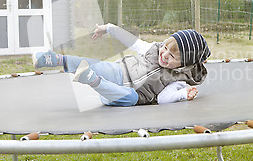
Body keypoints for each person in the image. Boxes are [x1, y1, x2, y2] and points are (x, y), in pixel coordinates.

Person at [32, 24, 211, 107]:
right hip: (119, 72)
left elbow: (163, 99)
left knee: (131, 97)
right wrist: (109, 28)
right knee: (96, 64)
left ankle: (91, 80)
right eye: (165, 47)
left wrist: (182, 94)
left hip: (118, 95)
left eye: (171, 56)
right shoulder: (153, 49)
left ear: (183, 65)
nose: (164, 54)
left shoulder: (177, 80)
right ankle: (54, 59)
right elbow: (132, 41)